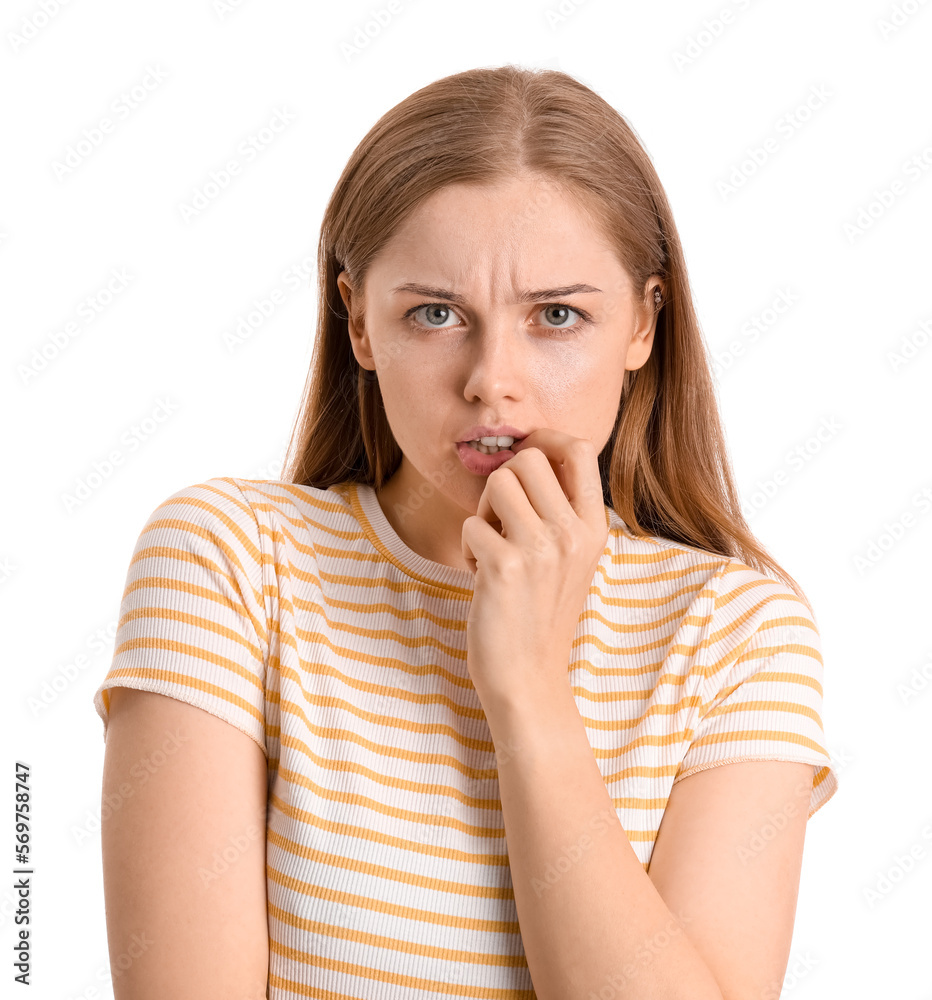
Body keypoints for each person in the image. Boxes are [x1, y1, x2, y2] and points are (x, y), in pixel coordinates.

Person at [94, 65, 838, 999]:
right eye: (436, 314)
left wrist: (528, 689)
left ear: (644, 324)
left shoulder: (739, 635)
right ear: (358, 320)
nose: (493, 377)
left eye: (558, 316)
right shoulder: (232, 562)